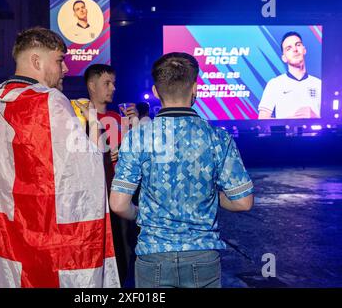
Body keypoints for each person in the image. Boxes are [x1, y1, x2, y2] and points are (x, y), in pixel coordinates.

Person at [0, 27, 120, 288]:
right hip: (46, 241)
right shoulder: (51, 102)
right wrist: (93, 119)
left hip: (6, 238)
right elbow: (86, 173)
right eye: (60, 60)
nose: (65, 69)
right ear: (37, 61)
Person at [110, 52, 254, 288]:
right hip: (203, 256)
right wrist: (207, 195)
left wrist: (142, 213)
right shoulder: (218, 138)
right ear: (195, 88)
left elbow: (118, 204)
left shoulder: (138, 137)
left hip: (153, 254)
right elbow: (243, 202)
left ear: (156, 92)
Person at [83, 64, 137, 286]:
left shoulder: (118, 117)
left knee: (124, 246)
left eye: (114, 83)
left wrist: (134, 128)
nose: (113, 88)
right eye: (107, 83)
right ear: (92, 86)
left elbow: (134, 155)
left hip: (119, 192)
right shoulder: (79, 118)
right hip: (92, 196)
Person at [258, 31, 321, 119]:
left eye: (298, 45)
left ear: (304, 50)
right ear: (284, 58)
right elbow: (262, 119)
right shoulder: (274, 84)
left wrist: (315, 117)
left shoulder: (319, 84)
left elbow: (332, 122)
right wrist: (289, 122)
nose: (295, 49)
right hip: (285, 133)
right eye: (289, 48)